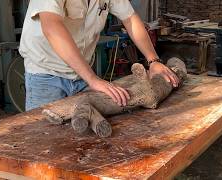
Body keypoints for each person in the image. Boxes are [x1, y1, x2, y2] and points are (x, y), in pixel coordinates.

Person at [19, 0, 179, 111]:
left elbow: (130, 18)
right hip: (45, 74)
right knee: (43, 140)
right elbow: (52, 27)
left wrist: (153, 60)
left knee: (83, 138)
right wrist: (92, 79)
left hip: (81, 74)